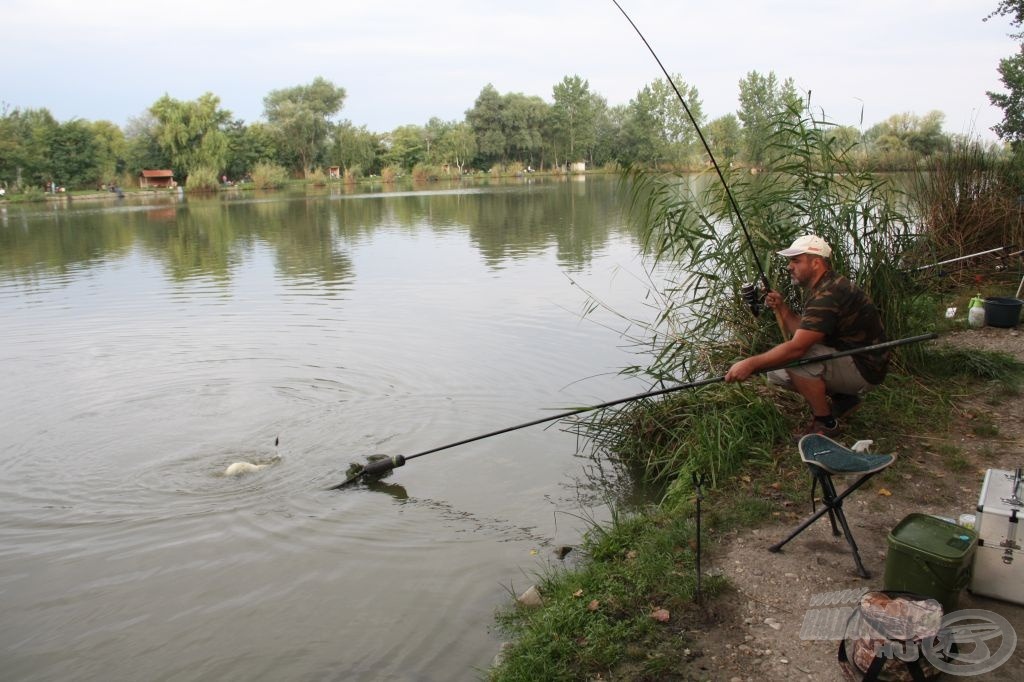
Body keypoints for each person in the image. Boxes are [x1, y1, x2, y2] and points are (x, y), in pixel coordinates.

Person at [724, 235, 889, 438]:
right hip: (854, 358)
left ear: (816, 262)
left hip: (866, 368)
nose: (789, 266)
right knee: (776, 374)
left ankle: (826, 423)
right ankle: (844, 398)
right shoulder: (827, 285)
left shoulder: (828, 294)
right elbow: (808, 332)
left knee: (797, 360)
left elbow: (798, 348)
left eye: (796, 260)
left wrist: (750, 364)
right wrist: (782, 308)